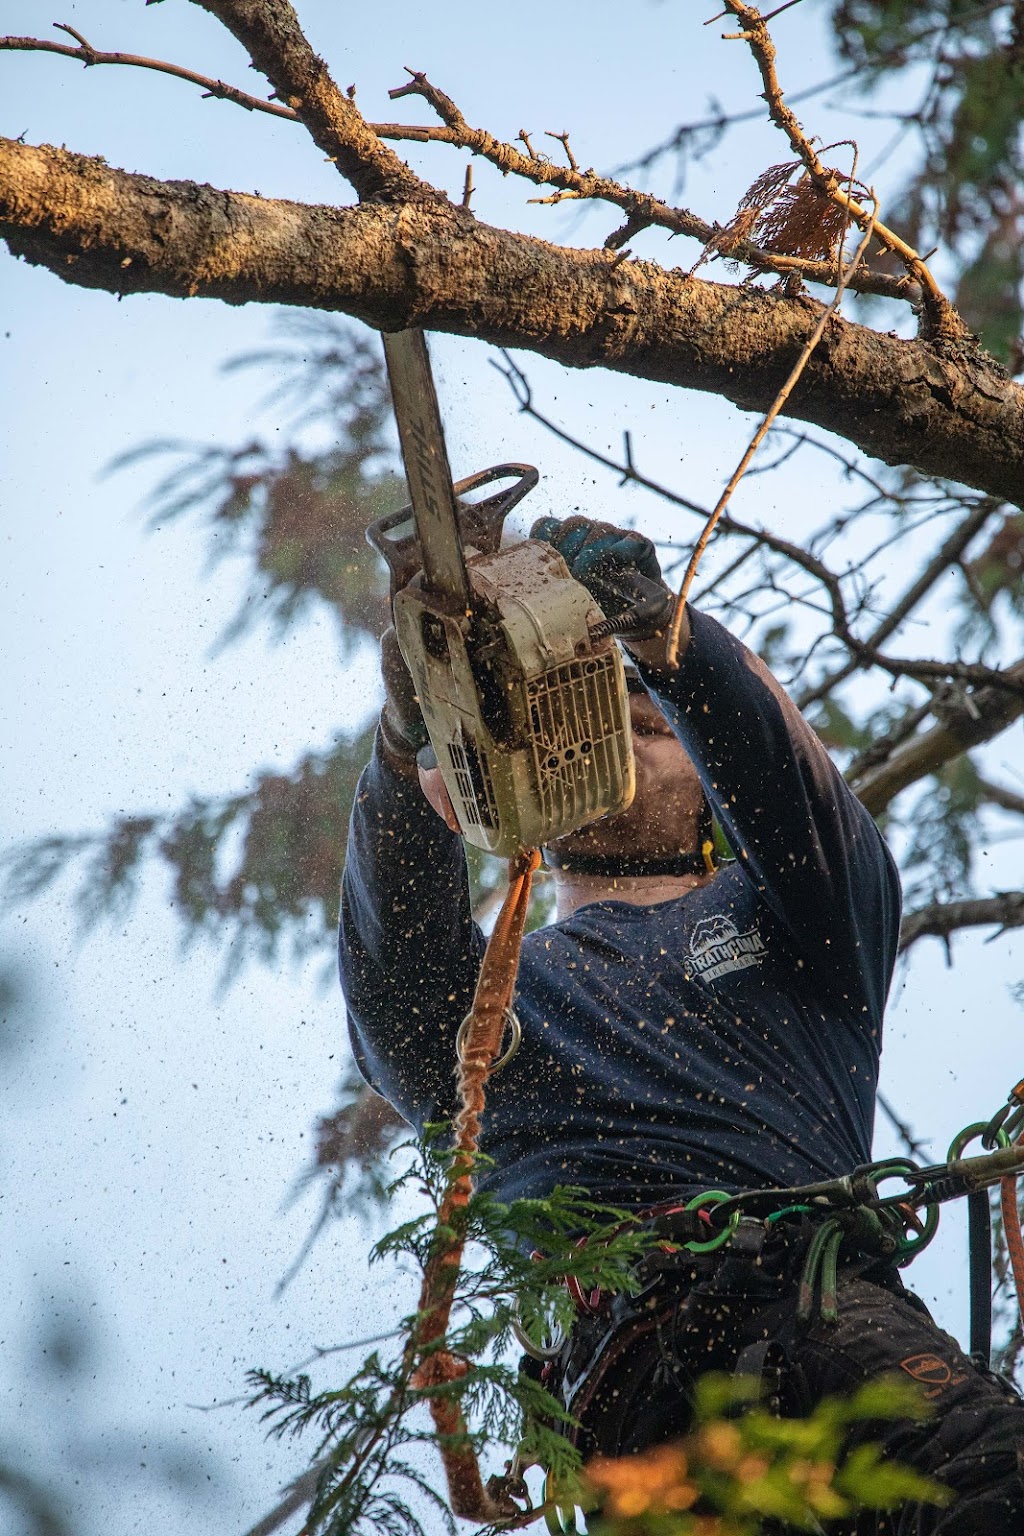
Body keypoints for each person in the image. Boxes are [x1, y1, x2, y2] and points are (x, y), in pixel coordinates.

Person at [339, 515, 1024, 1532]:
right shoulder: (485, 1018)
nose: (617, 730)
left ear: (710, 790)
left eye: (651, 724)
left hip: (828, 1317)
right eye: (596, 721)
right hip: (630, 1394)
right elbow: (392, 969)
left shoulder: (798, 919)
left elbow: (786, 788)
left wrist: (665, 637)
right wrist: (407, 744)